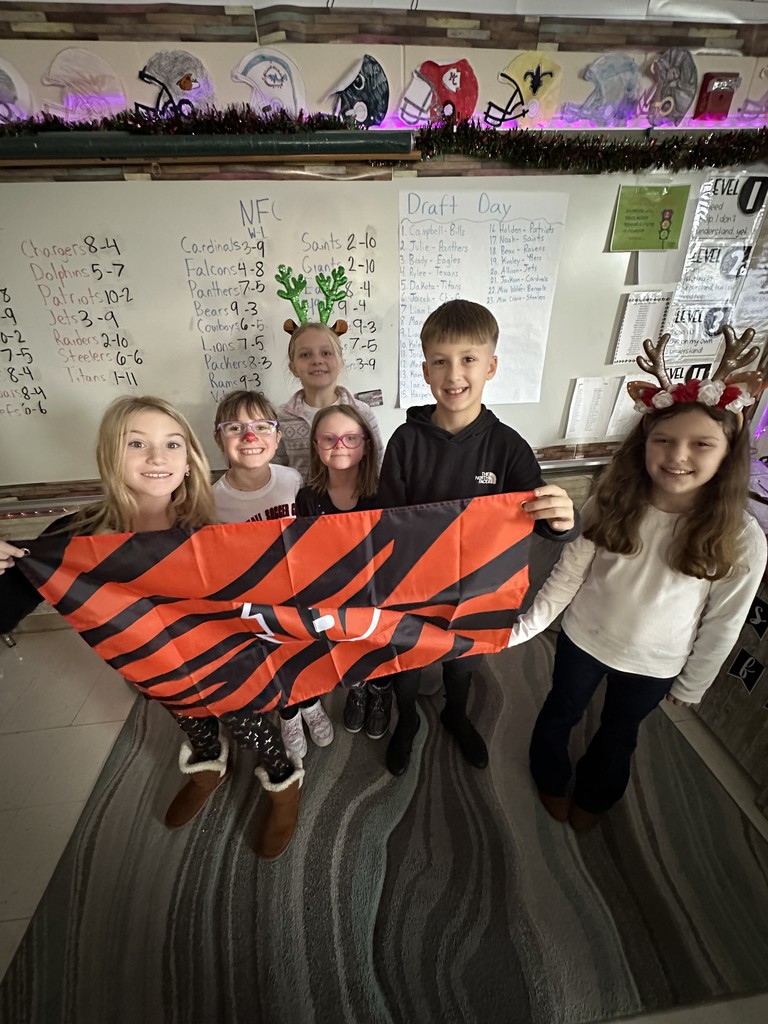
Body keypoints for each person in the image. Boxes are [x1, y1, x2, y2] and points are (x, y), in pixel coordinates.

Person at [0, 395, 303, 859]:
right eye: (136, 443)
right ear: (110, 455)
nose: (157, 457)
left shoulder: (210, 526)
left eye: (172, 444)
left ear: (188, 461)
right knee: (188, 717)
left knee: (248, 724)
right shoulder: (72, 537)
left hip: (221, 662)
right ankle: (208, 767)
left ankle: (282, 785)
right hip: (151, 668)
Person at [509, 396, 767, 832]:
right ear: (644, 442)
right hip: (584, 639)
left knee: (618, 735)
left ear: (727, 452)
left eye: (701, 444)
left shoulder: (742, 538)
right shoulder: (611, 499)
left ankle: (595, 796)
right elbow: (569, 573)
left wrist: (694, 682)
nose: (678, 456)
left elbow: (724, 621)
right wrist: (527, 627)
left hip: (655, 664)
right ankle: (549, 777)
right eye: (664, 440)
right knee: (560, 711)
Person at [378, 299, 577, 776]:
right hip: (412, 585)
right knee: (405, 662)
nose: (455, 374)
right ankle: (406, 721)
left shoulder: (508, 447)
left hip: (478, 591)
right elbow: (385, 520)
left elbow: (549, 524)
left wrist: (564, 519)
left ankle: (455, 713)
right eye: (441, 362)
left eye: (469, 359)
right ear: (425, 371)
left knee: (463, 663)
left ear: (491, 366)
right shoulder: (405, 442)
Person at [212, 388, 334, 759]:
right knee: (271, 660)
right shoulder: (211, 500)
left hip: (297, 593)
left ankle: (310, 703)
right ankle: (288, 712)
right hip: (252, 604)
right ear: (220, 439)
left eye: (261, 427)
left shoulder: (292, 480)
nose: (250, 437)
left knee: (303, 652)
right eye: (235, 428)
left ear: (277, 436)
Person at [295, 404, 392, 740]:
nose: (340, 446)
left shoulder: (385, 493)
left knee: (379, 643)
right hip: (334, 593)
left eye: (351, 438)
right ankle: (358, 686)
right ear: (316, 446)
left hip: (379, 591)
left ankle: (380, 690)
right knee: (348, 645)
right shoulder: (307, 497)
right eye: (329, 438)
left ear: (366, 444)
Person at [274, 321, 384, 481]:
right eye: (305, 354)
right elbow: (276, 470)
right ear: (294, 368)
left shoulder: (362, 412)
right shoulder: (281, 417)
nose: (317, 360)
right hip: (302, 504)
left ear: (340, 362)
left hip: (356, 502)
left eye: (326, 353)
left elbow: (378, 463)